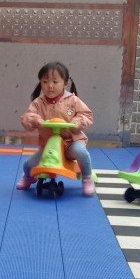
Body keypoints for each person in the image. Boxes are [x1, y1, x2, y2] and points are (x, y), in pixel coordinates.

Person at [17, 61, 95, 195]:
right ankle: (28, 177)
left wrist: (77, 122)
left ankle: (87, 178)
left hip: (71, 143)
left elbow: (86, 114)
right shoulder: (38, 103)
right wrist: (35, 120)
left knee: (81, 152)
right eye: (45, 82)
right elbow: (28, 117)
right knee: (28, 165)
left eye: (55, 82)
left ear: (65, 84)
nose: (50, 86)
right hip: (49, 146)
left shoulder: (73, 100)